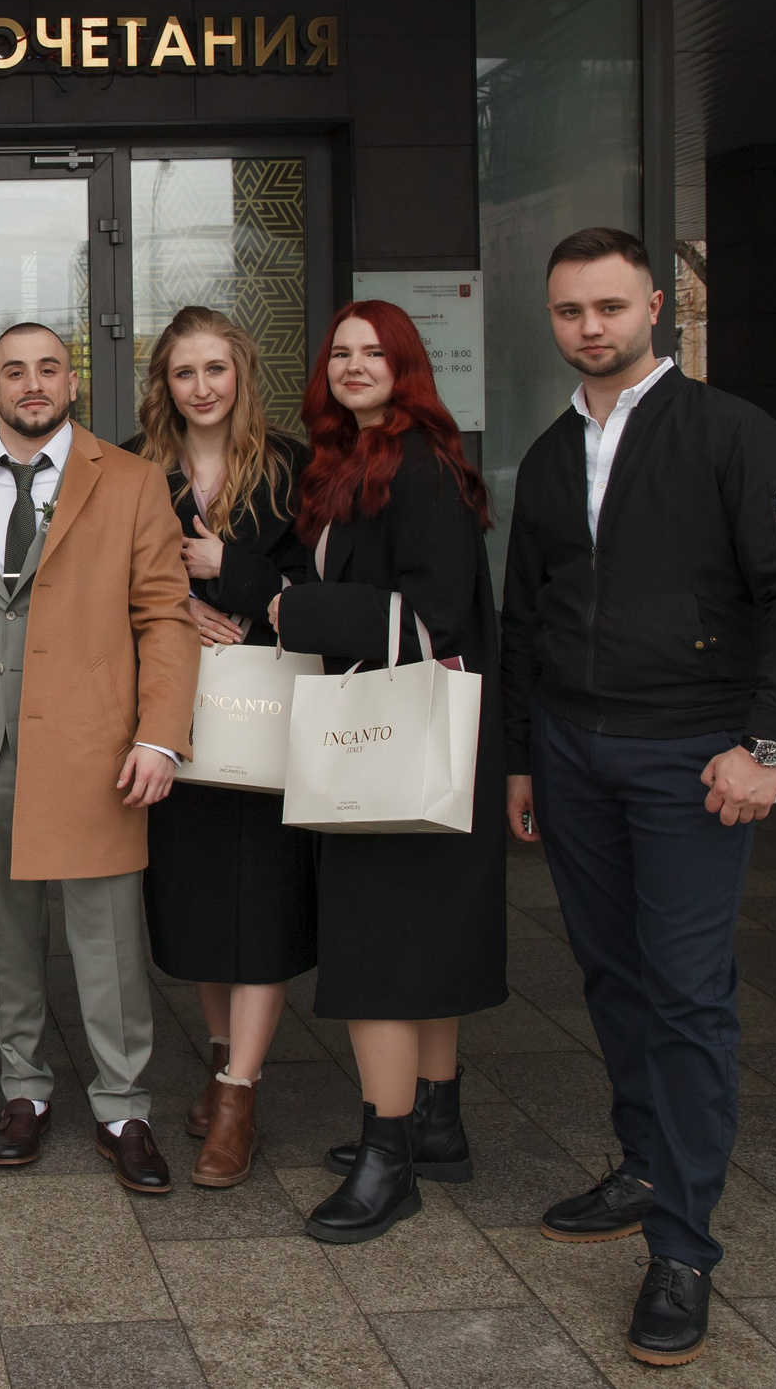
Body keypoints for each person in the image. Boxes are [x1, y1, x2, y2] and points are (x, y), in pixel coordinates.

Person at [501, 227, 776, 1368]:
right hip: (572, 753)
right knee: (610, 975)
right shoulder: (551, 455)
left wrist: (766, 742)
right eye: (567, 311)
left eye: (607, 306)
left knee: (688, 993)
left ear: (654, 304)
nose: (588, 326)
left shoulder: (728, 434)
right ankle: (645, 1166)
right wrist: (517, 759)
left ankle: (684, 1247)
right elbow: (522, 618)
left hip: (692, 755)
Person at [0, 323, 199, 1197]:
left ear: (73, 382)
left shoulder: (128, 482)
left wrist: (160, 734)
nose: (32, 383)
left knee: (107, 939)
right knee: (2, 937)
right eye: (14, 371)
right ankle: (24, 1089)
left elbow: (164, 612)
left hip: (95, 749)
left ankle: (124, 1105)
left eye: (48, 368)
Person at [270, 299, 505, 1245]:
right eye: (341, 352)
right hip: (420, 743)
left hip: (395, 740)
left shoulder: (415, 464)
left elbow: (435, 614)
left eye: (375, 352)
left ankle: (388, 1156)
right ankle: (436, 1124)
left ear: (407, 365)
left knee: (377, 956)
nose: (355, 365)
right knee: (422, 947)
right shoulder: (357, 460)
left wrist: (297, 614)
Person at [128, 308, 314, 1190]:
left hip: (269, 713)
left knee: (265, 906)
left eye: (215, 368)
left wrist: (225, 570)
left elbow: (322, 587)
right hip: (177, 716)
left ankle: (239, 1095)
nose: (201, 386)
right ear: (164, 383)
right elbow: (106, 583)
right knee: (198, 907)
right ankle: (218, 1058)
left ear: (241, 371)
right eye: (183, 372)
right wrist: (176, 603)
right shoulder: (134, 467)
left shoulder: (294, 466)